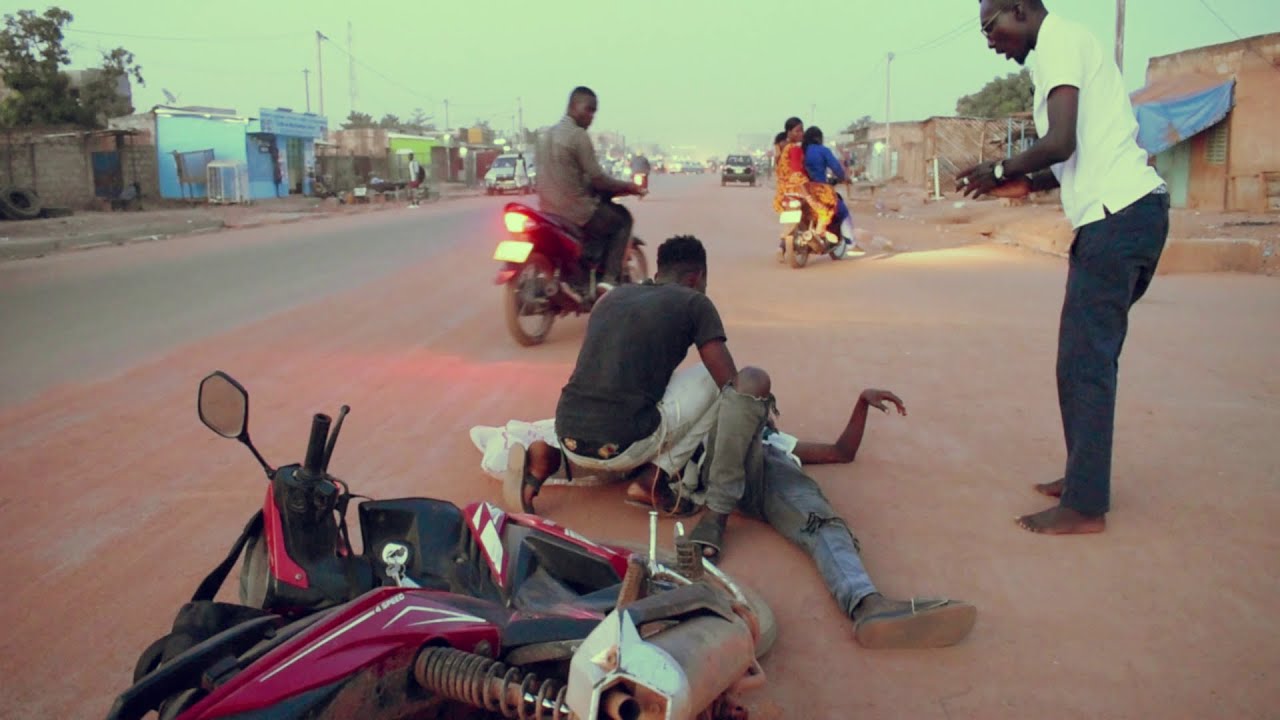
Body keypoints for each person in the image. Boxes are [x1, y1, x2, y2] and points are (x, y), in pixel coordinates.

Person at [470, 383, 978, 649]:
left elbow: (841, 451)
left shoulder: (776, 443)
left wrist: (861, 404)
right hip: (706, 467)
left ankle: (866, 602)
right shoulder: (736, 423)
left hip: (739, 473)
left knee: (819, 521)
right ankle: (865, 603)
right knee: (813, 516)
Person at [957, 0, 1169, 535]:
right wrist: (1027, 182)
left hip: (1116, 220)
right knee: (1082, 359)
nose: (989, 41)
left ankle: (1085, 506)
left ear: (1020, 9)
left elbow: (1060, 141)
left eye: (990, 27)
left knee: (1085, 363)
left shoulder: (1058, 43)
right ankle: (1082, 479)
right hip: (1126, 217)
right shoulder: (1063, 47)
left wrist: (999, 168)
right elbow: (1074, 155)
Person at [507, 235, 771, 552]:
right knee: (714, 381)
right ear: (696, 277)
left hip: (568, 433)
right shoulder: (694, 302)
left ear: (658, 272)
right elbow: (730, 384)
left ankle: (549, 457)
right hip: (623, 445)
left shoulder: (612, 298)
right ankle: (654, 479)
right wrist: (759, 419)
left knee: (620, 400)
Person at [537, 86, 648, 287]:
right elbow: (598, 179)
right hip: (576, 212)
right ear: (572, 106)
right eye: (588, 110)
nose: (591, 117)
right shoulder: (578, 135)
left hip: (547, 211)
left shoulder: (545, 136)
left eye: (594, 112)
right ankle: (609, 281)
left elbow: (565, 173)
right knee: (622, 219)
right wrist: (629, 187)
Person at [772, 117, 839, 243]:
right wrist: (808, 195)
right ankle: (820, 229)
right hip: (799, 188)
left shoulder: (785, 150)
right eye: (797, 131)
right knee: (830, 198)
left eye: (802, 130)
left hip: (784, 192)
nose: (801, 133)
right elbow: (796, 174)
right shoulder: (795, 149)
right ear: (789, 132)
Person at [802, 126, 856, 249]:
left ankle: (782, 246)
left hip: (800, 190)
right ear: (818, 138)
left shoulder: (800, 151)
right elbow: (837, 169)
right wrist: (844, 178)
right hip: (818, 190)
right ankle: (851, 244)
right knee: (842, 211)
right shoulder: (823, 150)